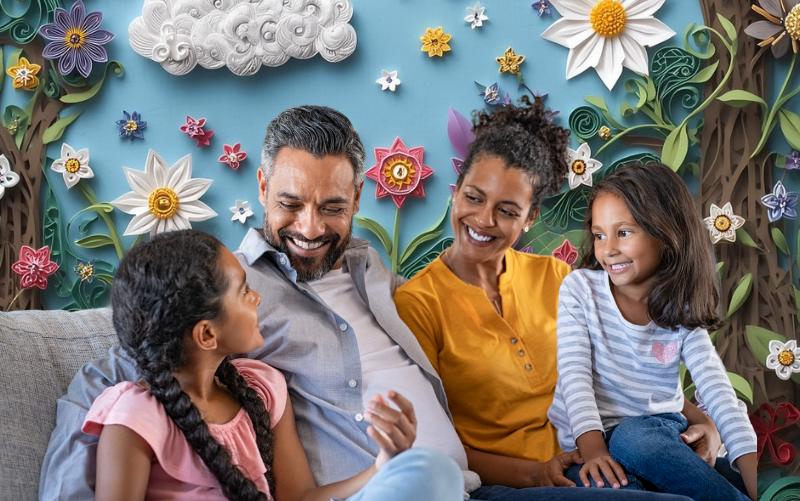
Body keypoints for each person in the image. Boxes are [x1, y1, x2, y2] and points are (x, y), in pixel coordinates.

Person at [40, 105, 476, 499]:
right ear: (264, 186)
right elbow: (119, 370)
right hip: (390, 489)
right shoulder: (223, 291)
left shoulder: (369, 265)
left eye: (332, 207)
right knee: (428, 472)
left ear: (357, 198)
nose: (310, 227)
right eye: (291, 203)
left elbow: (446, 303)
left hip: (470, 487)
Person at [393, 98, 705, 501]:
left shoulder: (557, 278)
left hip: (603, 460)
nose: (484, 220)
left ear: (530, 218)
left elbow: (627, 371)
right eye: (473, 197)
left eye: (507, 210)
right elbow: (434, 446)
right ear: (455, 193)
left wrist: (703, 422)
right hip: (508, 485)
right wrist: (537, 474)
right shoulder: (417, 304)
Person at [85, 229, 461, 501]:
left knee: (432, 469)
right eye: (244, 292)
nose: (258, 297)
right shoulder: (136, 417)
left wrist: (384, 463)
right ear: (207, 335)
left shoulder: (261, 388)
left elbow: (300, 498)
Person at [547, 163, 758, 501]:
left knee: (632, 438)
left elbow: (718, 392)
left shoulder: (681, 311)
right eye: (599, 234)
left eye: (624, 232)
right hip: (592, 447)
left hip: (653, 436)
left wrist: (754, 480)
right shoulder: (580, 290)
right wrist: (593, 451)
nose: (607, 249)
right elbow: (575, 376)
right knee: (611, 491)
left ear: (666, 233)